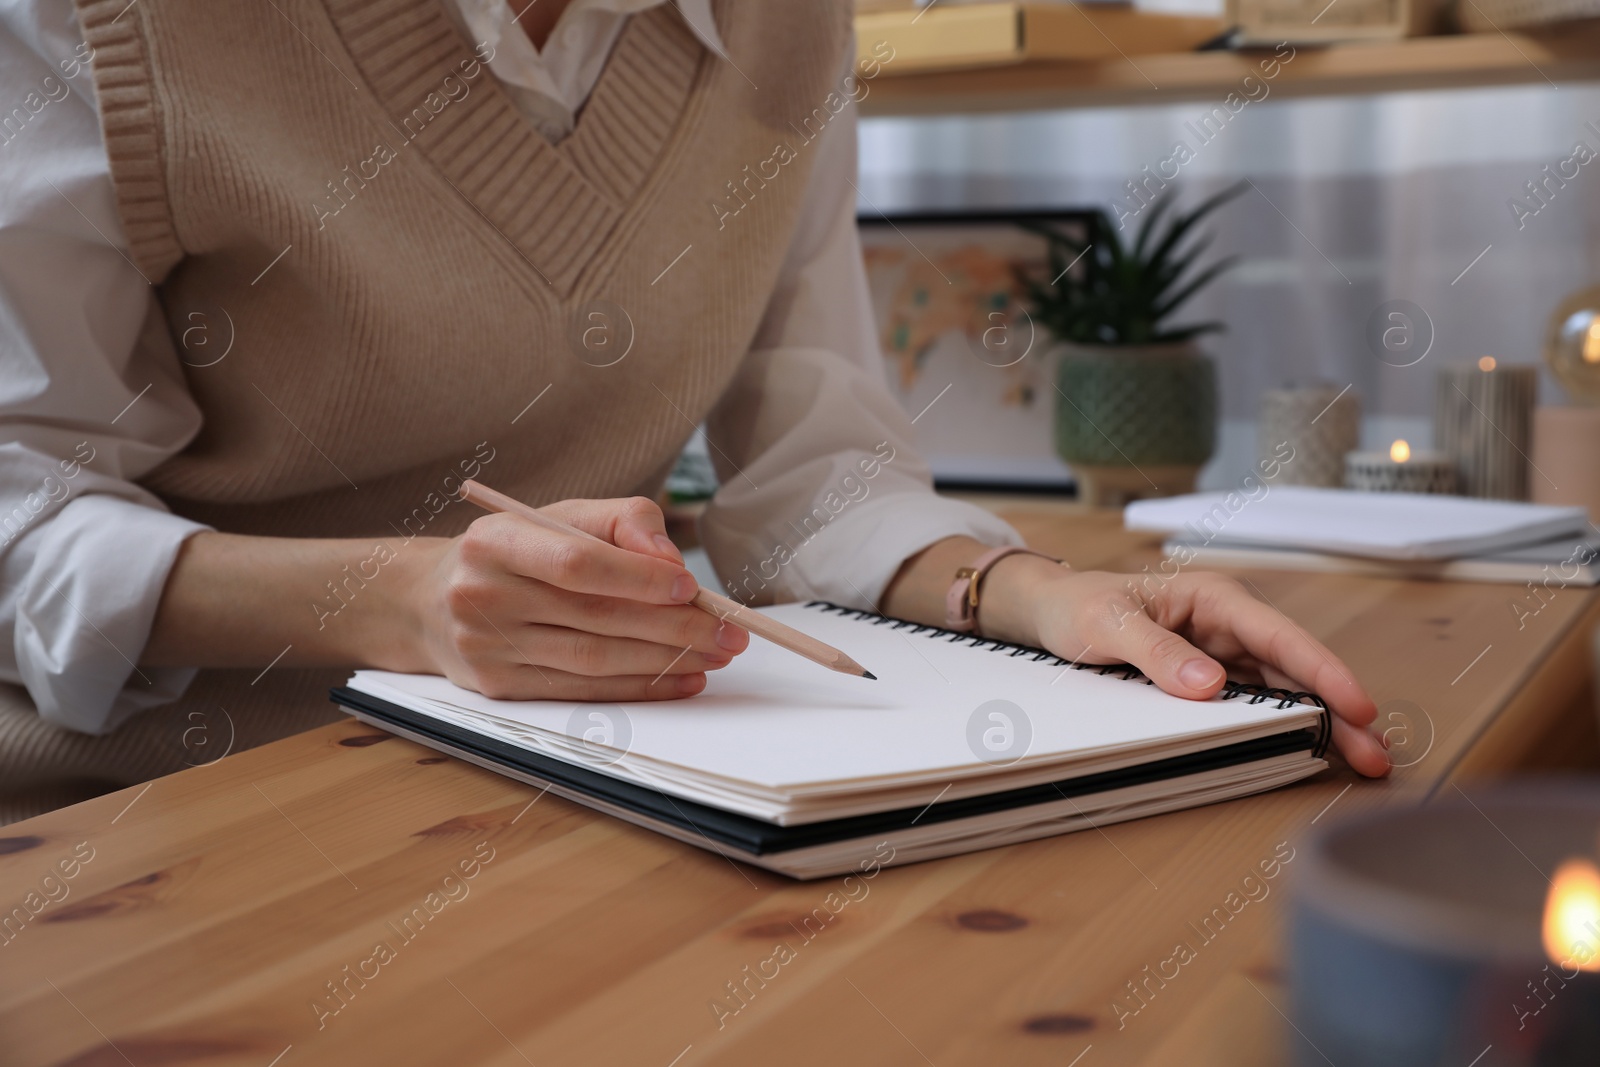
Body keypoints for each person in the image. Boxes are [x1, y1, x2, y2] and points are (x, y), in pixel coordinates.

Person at [0, 0, 1387, 821]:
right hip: (152, 812)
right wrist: (396, 601)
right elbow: (22, 515)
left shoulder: (785, 26)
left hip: (580, 785)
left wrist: (1029, 597)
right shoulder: (105, 26)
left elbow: (815, 467)